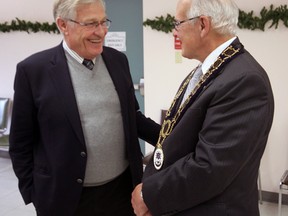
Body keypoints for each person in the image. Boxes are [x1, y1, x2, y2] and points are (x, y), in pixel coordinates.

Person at [9, 0, 160, 215]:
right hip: (65, 198)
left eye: (103, 22)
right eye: (91, 24)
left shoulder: (118, 61)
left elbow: (132, 118)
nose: (101, 32)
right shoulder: (33, 71)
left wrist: (173, 138)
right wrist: (34, 194)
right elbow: (20, 142)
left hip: (121, 191)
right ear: (63, 25)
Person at [131, 0, 274, 215]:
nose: (174, 32)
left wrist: (149, 194)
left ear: (202, 25)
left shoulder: (244, 80)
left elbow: (210, 167)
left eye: (177, 23)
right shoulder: (211, 70)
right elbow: (183, 137)